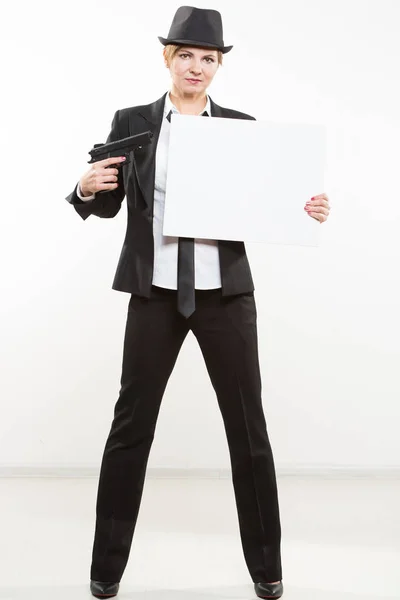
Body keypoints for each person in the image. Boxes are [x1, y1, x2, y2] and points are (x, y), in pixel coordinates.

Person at [65, 6, 330, 599]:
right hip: (154, 294)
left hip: (224, 296)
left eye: (208, 58)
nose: (196, 66)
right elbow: (104, 198)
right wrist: (83, 187)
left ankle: (267, 570)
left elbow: (271, 201)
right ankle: (105, 570)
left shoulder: (243, 127)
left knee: (248, 429)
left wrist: (306, 207)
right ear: (167, 58)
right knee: (130, 428)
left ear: (218, 66)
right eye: (185, 55)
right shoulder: (132, 121)